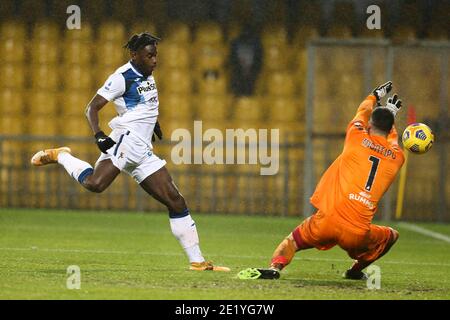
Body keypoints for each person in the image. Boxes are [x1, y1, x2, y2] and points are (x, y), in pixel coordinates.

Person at [31, 32, 229, 272]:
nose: (154, 60)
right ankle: (61, 155)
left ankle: (197, 262)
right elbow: (91, 108)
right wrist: (99, 134)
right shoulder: (122, 77)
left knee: (176, 201)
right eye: (149, 56)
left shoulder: (148, 73)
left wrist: (152, 123)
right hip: (126, 140)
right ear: (134, 55)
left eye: (156, 55)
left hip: (143, 148)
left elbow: (144, 104)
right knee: (95, 184)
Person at [239, 81, 405, 280]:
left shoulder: (356, 136)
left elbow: (362, 111)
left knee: (292, 241)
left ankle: (275, 268)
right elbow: (392, 141)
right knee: (391, 236)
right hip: (357, 232)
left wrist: (374, 96)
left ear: (370, 125)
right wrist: (392, 116)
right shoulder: (397, 157)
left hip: (327, 220)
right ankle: (354, 272)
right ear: (389, 130)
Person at [229, 23, 263, 96]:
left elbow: (259, 61)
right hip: (239, 78)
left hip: (251, 78)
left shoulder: (257, 45)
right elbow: (232, 60)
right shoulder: (235, 44)